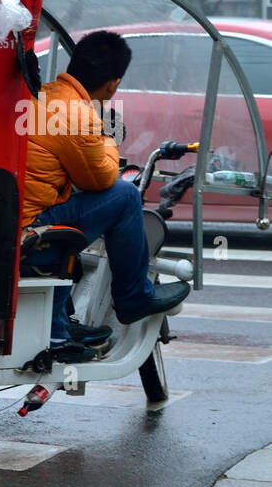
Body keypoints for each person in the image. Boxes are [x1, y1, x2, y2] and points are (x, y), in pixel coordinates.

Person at [23, 30, 189, 360]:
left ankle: (62, 323)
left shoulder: (43, 94)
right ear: (113, 85)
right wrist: (108, 138)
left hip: (16, 215)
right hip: (31, 227)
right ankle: (134, 298)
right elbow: (102, 179)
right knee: (126, 195)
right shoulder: (77, 115)